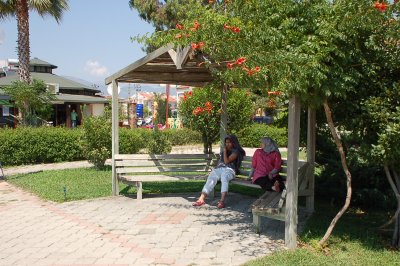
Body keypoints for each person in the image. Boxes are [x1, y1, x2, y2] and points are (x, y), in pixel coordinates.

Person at [192, 134, 245, 209]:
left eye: (229, 142)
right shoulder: (226, 151)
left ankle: (222, 201)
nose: (227, 144)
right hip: (221, 168)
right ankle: (201, 199)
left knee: (224, 177)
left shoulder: (236, 152)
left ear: (233, 142)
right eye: (226, 142)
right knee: (212, 176)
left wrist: (225, 151)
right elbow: (221, 163)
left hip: (230, 170)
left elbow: (226, 161)